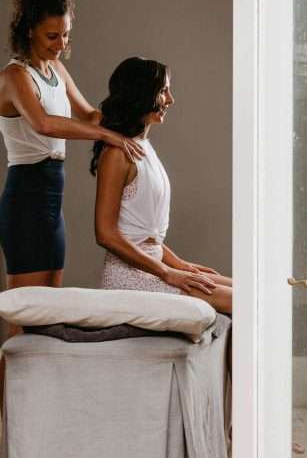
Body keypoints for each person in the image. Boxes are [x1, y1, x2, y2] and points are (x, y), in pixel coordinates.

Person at [0, 0, 144, 414]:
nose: (61, 44)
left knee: (46, 324)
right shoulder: (14, 77)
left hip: (49, 208)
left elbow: (92, 114)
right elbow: (43, 124)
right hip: (23, 204)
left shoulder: (54, 71)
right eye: (52, 35)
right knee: (23, 329)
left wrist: (136, 117)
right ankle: (9, 440)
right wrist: (101, 133)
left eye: (66, 34)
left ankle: (35, 428)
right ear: (28, 30)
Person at [91, 56, 232, 314]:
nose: (170, 100)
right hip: (128, 279)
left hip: (153, 268)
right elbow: (106, 234)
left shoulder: (143, 146)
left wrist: (180, 264)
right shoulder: (116, 155)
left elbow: (145, 235)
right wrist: (168, 273)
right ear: (141, 94)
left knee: (250, 290)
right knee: (242, 302)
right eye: (164, 91)